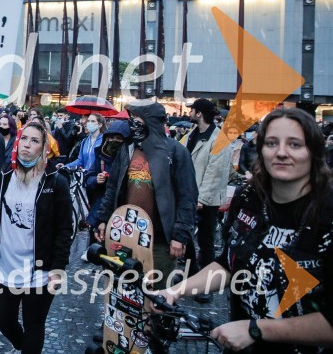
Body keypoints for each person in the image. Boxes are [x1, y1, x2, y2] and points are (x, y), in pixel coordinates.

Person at [154, 108, 333, 353]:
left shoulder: (327, 214)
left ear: (314, 152)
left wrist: (255, 329)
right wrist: (176, 291)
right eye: (271, 143)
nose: (281, 152)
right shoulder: (248, 198)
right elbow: (228, 265)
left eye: (295, 144)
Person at [0, 122, 72, 354]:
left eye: (35, 141)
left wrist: (58, 268)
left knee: (34, 325)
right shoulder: (5, 176)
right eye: (24, 139)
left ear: (44, 148)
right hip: (4, 268)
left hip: (39, 273)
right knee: (3, 321)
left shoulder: (56, 183)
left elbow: (64, 229)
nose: (27, 145)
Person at [94, 101, 198, 286]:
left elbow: (187, 196)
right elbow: (113, 188)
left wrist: (179, 236)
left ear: (151, 121)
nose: (133, 122)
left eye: (137, 118)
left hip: (160, 241)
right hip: (125, 235)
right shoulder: (127, 149)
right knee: (124, 293)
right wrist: (103, 219)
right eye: (132, 118)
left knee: (156, 296)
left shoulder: (176, 152)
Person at [181, 98, 231, 298]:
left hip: (206, 200)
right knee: (185, 236)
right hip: (189, 195)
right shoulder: (191, 135)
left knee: (206, 240)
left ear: (199, 113)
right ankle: (192, 274)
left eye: (192, 110)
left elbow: (215, 173)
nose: (189, 113)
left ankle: (206, 286)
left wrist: (201, 199)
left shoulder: (219, 138)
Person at [84, 120, 131, 249]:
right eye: (111, 138)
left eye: (118, 138)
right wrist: (95, 179)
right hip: (101, 207)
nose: (114, 141)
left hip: (123, 209)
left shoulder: (131, 158)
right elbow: (88, 177)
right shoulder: (102, 156)